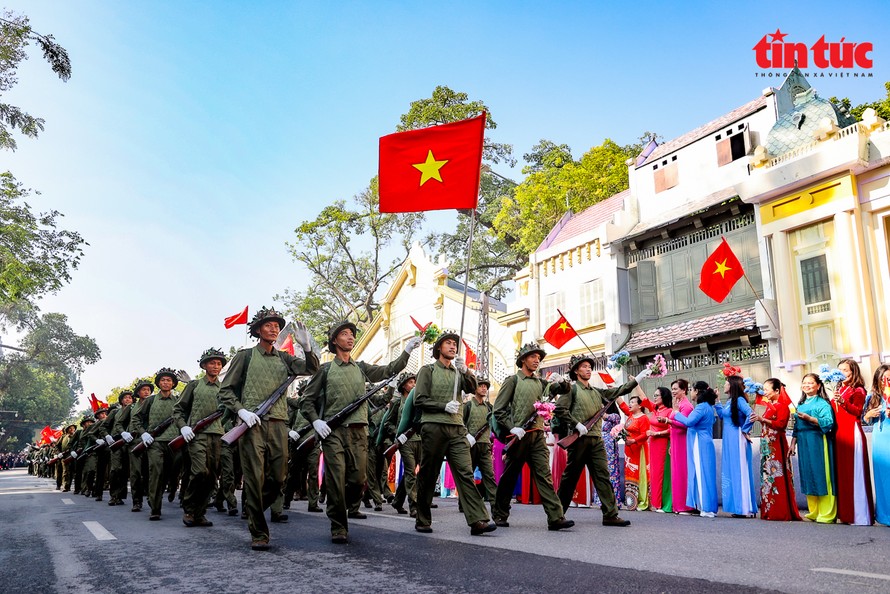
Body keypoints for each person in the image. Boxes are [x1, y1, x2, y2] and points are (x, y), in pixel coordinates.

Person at [300, 320, 416, 544]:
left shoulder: (361, 368)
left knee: (358, 479)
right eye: (344, 334)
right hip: (333, 432)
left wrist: (407, 351)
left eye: (352, 334)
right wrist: (316, 422)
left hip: (359, 432)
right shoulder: (325, 369)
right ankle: (338, 525)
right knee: (335, 479)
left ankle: (350, 507)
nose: (351, 338)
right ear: (335, 340)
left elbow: (388, 370)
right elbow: (307, 401)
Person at [218, 307, 319, 551]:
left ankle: (253, 510)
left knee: (279, 477)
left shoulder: (284, 358)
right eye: (269, 325)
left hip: (279, 423)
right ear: (257, 330)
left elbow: (312, 369)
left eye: (277, 325)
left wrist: (307, 348)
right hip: (252, 425)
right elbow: (226, 391)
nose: (274, 328)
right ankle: (259, 531)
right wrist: (242, 411)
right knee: (254, 478)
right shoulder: (245, 356)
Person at [413, 331, 496, 536]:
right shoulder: (428, 370)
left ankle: (477, 519)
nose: (452, 347)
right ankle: (422, 518)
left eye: (454, 344)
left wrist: (467, 371)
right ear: (439, 348)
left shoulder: (458, 372)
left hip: (457, 428)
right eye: (448, 343)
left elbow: (472, 388)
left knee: (465, 472)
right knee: (428, 473)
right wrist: (443, 406)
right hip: (433, 426)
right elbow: (419, 399)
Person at [555, 353, 646, 526]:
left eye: (589, 366)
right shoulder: (571, 390)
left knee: (603, 476)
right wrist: (576, 424)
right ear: (575, 371)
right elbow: (560, 409)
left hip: (596, 439)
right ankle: (557, 515)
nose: (588, 369)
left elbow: (619, 391)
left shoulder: (596, 391)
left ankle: (610, 514)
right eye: (584, 366)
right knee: (570, 478)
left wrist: (638, 379)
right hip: (579, 439)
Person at [492, 342, 573, 531]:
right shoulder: (512, 380)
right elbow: (498, 410)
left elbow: (564, 390)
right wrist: (512, 428)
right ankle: (500, 513)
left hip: (537, 436)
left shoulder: (541, 383)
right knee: (509, 476)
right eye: (532, 357)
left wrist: (562, 382)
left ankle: (555, 517)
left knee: (544, 476)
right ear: (523, 360)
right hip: (519, 437)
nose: (537, 360)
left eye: (539, 357)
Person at [174, 347, 229, 528]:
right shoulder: (194, 386)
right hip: (197, 435)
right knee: (199, 472)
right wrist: (183, 427)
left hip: (217, 435)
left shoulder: (225, 388)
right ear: (204, 365)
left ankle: (200, 513)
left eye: (219, 363)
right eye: (212, 362)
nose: (216, 366)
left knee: (212, 477)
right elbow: (179, 410)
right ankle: (189, 509)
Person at [132, 368, 182, 521]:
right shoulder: (150, 400)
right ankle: (155, 507)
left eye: (169, 380)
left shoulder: (179, 401)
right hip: (155, 443)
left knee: (174, 473)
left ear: (173, 384)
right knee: (156, 474)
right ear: (159, 383)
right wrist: (144, 433)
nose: (166, 382)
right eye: (163, 380)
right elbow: (136, 419)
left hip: (175, 443)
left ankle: (173, 488)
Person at [749, 378, 801, 521]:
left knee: (777, 475)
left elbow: (781, 425)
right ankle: (769, 511)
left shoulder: (783, 406)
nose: (765, 392)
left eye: (767, 389)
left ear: (777, 390)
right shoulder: (767, 405)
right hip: (767, 444)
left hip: (777, 444)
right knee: (767, 477)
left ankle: (780, 511)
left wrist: (763, 419)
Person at [789, 373, 836, 523]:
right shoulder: (801, 404)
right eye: (804, 383)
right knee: (808, 474)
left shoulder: (822, 404)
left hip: (817, 440)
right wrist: (792, 443)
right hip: (803, 442)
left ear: (818, 385)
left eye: (810, 383)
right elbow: (797, 427)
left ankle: (827, 512)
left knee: (821, 474)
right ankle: (814, 511)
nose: (807, 385)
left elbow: (829, 423)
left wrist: (810, 419)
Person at [832, 359, 874, 525]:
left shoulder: (858, 390)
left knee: (854, 472)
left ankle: (860, 515)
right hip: (839, 432)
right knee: (844, 474)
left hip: (852, 431)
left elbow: (858, 412)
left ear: (853, 371)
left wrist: (843, 402)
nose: (842, 373)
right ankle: (847, 513)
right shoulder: (839, 388)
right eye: (840, 369)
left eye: (845, 370)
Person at [672, 381, 719, 517]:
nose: (691, 393)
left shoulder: (700, 407)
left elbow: (688, 422)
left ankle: (705, 507)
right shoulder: (709, 407)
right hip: (705, 441)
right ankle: (705, 505)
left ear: (697, 391)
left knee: (700, 474)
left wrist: (676, 413)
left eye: (692, 390)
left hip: (699, 443)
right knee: (706, 474)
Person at [717, 375, 757, 517]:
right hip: (728, 439)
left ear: (732, 385)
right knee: (731, 471)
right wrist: (716, 401)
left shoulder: (739, 400)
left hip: (737, 439)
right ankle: (737, 506)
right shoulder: (730, 401)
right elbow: (722, 415)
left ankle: (744, 508)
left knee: (739, 471)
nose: (724, 385)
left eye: (726, 383)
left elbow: (751, 415)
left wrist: (745, 430)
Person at [661, 379, 695, 515]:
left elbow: (685, 424)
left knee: (682, 472)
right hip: (675, 440)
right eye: (672, 389)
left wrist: (669, 419)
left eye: (676, 389)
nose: (673, 391)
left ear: (684, 390)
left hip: (682, 440)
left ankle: (685, 506)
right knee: (676, 473)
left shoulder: (686, 406)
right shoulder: (677, 404)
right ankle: (678, 505)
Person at [389, 375, 420, 516]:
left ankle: (397, 501)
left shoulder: (419, 400)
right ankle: (414, 506)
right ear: (403, 386)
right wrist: (397, 433)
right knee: (410, 472)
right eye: (410, 382)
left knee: (412, 473)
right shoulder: (397, 402)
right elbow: (387, 423)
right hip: (405, 441)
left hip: (419, 439)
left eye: (414, 382)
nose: (413, 385)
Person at [463, 376, 497, 503]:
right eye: (481, 386)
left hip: (485, 445)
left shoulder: (489, 407)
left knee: (489, 475)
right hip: (471, 445)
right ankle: (464, 503)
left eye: (485, 386)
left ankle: (497, 509)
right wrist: (467, 435)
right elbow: (460, 424)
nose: (484, 388)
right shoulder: (468, 406)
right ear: (474, 388)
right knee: (468, 475)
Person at [640, 386, 672, 513]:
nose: (654, 397)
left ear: (663, 397)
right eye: (654, 395)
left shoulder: (669, 411)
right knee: (654, 473)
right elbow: (644, 398)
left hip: (663, 444)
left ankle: (664, 503)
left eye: (657, 395)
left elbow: (672, 429)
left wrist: (657, 434)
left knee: (662, 474)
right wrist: (636, 382)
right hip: (652, 445)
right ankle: (656, 503)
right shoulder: (655, 409)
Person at [124, 381, 154, 512]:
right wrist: (123, 432)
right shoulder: (131, 408)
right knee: (136, 473)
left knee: (151, 472)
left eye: (148, 389)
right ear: (138, 393)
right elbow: (119, 423)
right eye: (143, 390)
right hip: (135, 441)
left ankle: (152, 499)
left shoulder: (154, 402)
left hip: (151, 440)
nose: (146, 392)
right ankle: (136, 501)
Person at [618, 394, 651, 511]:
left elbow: (645, 434)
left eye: (632, 402)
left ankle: (642, 500)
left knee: (639, 472)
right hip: (629, 449)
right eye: (630, 402)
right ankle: (631, 501)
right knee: (629, 473)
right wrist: (614, 391)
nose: (630, 404)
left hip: (639, 448)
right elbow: (622, 405)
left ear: (640, 405)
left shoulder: (644, 418)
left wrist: (634, 440)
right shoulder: (631, 415)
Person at [871, 365, 890, 525]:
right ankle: (885, 514)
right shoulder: (873, 397)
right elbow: (865, 419)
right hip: (880, 439)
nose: (886, 382)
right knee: (883, 476)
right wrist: (869, 414)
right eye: (884, 379)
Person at [108, 390, 134, 506]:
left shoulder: (135, 410)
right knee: (115, 469)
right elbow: (105, 426)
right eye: (125, 398)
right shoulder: (115, 412)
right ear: (121, 400)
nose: (128, 399)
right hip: (117, 441)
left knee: (125, 470)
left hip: (129, 442)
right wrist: (106, 436)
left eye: (130, 398)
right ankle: (113, 495)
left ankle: (120, 496)